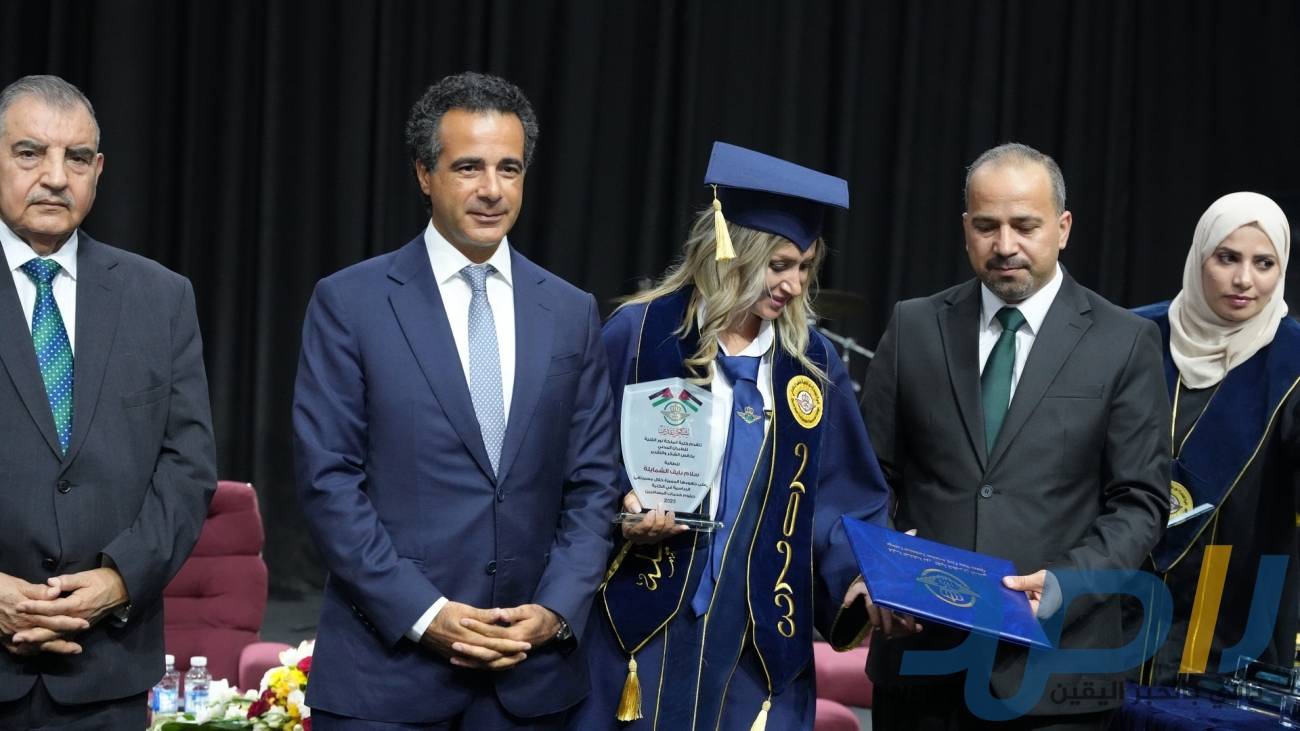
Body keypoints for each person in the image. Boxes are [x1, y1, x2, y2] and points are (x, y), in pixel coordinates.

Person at [294, 71, 621, 730]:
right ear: (424, 174)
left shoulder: (570, 311)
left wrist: (555, 608)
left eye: (509, 168)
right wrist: (425, 613)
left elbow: (595, 482)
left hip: (530, 678)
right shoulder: (350, 303)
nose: (492, 189)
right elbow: (328, 483)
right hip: (385, 680)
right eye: (469, 167)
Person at [565, 141, 893, 731]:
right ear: (730, 252)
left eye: (805, 267)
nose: (794, 285)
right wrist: (622, 507)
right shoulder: (639, 337)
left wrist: (860, 575)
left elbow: (841, 496)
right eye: (779, 265)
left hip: (758, 631)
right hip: (643, 616)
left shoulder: (811, 366)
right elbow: (580, 457)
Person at [859, 142, 1170, 729]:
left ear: (1063, 227)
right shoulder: (914, 325)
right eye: (987, 226)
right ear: (965, 230)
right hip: (920, 668)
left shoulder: (1125, 341)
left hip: (1056, 676)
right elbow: (869, 477)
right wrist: (881, 571)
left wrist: (1066, 585)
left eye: (1025, 226)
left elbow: (1141, 501)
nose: (1005, 246)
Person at [0, 74, 217, 728]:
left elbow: (188, 469)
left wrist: (120, 580)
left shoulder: (162, 297)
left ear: (98, 172)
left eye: (76, 158)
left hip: (107, 672)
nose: (54, 177)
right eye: (29, 153)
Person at [1130, 192, 1299, 685]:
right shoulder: (1135, 335)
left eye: (1264, 263)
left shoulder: (1292, 362)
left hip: (1231, 627)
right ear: (1199, 255)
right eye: (1227, 258)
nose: (1244, 280)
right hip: (1114, 609)